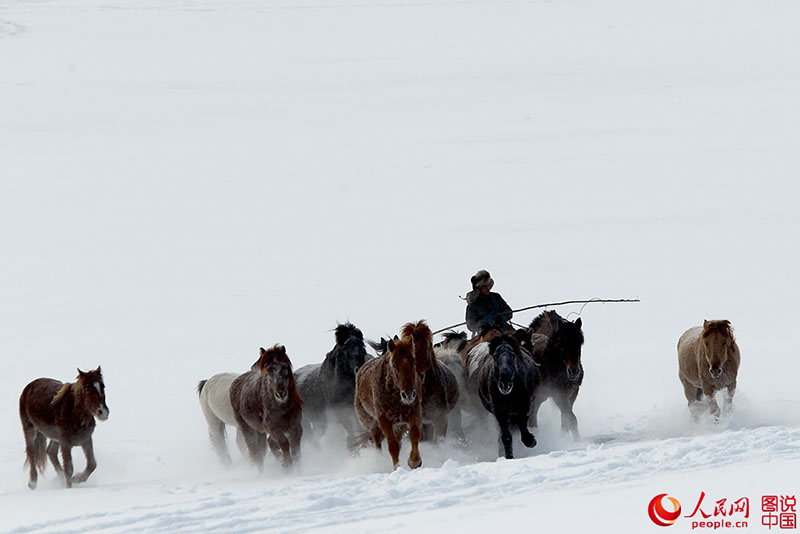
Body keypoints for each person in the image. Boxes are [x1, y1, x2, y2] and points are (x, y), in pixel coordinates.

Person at [465, 270, 513, 335]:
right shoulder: (473, 305)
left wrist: (500, 317)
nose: (488, 288)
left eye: (489, 286)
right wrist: (484, 321)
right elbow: (471, 326)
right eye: (485, 286)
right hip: (485, 335)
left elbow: (509, 311)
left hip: (505, 329)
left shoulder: (496, 297)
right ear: (479, 288)